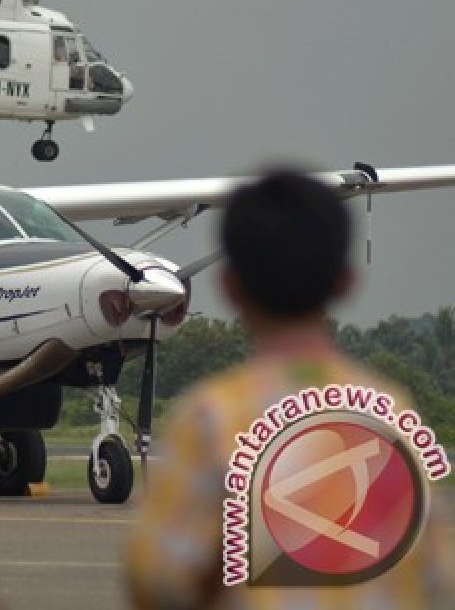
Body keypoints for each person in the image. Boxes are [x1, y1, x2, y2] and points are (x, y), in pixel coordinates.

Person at [125, 169, 452, 608]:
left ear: (230, 286)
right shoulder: (394, 412)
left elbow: (157, 580)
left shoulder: (210, 418)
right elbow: (434, 575)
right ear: (346, 282)